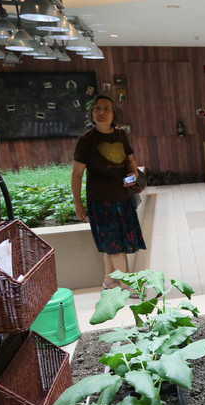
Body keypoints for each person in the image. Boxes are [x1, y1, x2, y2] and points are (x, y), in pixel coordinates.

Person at [71, 95, 146, 290]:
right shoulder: (85, 140)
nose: (101, 112)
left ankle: (109, 280)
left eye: (106, 109)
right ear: (92, 112)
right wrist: (78, 204)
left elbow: (131, 163)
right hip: (101, 201)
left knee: (113, 243)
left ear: (114, 114)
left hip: (123, 199)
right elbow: (77, 175)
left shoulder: (121, 135)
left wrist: (130, 180)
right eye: (97, 108)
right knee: (115, 245)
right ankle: (127, 284)